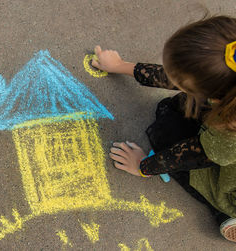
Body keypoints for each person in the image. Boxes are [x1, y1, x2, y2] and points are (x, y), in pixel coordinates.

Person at [91, 16, 236, 242]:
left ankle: (223, 212)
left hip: (227, 172)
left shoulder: (229, 134)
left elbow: (189, 156)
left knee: (166, 131)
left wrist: (143, 167)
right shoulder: (225, 79)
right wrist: (120, 65)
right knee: (175, 107)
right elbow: (179, 77)